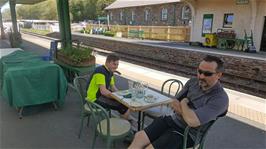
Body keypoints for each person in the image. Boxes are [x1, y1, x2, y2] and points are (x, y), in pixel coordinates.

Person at [128, 55, 229, 149]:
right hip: (172, 120)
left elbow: (192, 122)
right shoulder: (193, 82)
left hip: (188, 134)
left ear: (219, 75)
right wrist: (189, 113)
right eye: (199, 71)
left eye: (207, 74)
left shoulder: (220, 98)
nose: (201, 76)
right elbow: (174, 102)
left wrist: (184, 102)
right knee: (139, 136)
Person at [86, 54, 130, 119]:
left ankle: (124, 119)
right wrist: (117, 97)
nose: (116, 67)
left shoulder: (110, 71)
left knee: (125, 103)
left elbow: (112, 87)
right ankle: (122, 124)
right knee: (124, 107)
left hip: (100, 95)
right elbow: (103, 91)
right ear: (107, 63)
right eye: (114, 64)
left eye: (117, 65)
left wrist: (121, 95)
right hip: (94, 98)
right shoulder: (100, 72)